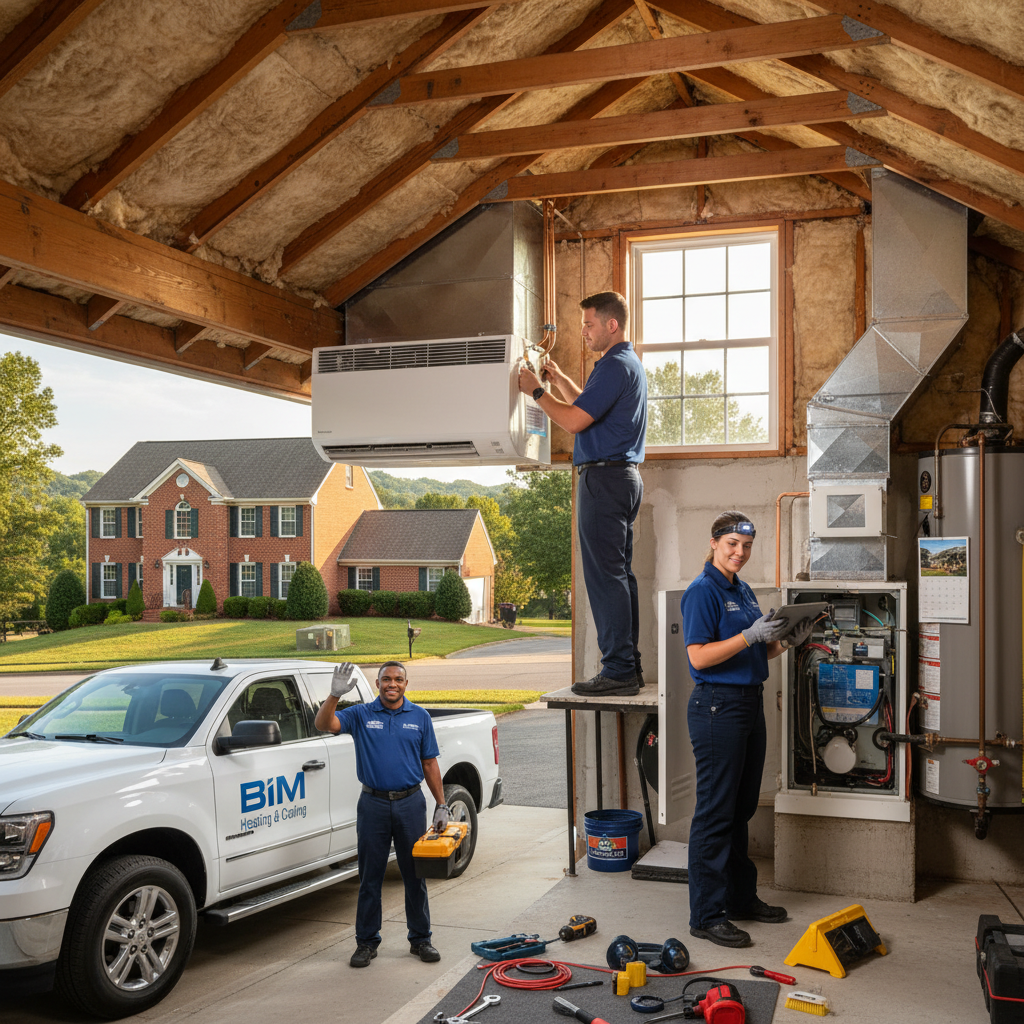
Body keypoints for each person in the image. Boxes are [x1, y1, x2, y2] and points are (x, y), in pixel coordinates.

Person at [681, 511, 813, 948]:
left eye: (747, 546)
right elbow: (699, 658)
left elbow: (755, 653)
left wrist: (788, 640)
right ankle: (706, 914)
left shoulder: (742, 591)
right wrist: (751, 636)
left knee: (741, 809)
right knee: (716, 813)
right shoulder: (703, 592)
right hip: (718, 706)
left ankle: (739, 898)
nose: (740, 553)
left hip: (748, 703)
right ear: (715, 542)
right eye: (732, 544)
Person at [518, 291, 647, 697]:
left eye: (589, 324)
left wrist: (534, 392)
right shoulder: (624, 364)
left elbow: (574, 421)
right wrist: (558, 381)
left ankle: (619, 670)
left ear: (612, 324)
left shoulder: (614, 366)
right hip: (622, 479)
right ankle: (628, 666)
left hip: (604, 480)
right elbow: (586, 406)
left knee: (605, 578)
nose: (584, 333)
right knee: (620, 576)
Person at [314, 661, 449, 967]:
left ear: (405, 683)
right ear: (377, 684)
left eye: (398, 679)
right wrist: (334, 695)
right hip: (372, 804)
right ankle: (366, 943)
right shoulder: (361, 714)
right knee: (370, 877)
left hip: (410, 803)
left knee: (415, 875)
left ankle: (420, 939)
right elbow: (324, 724)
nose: (392, 683)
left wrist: (441, 804)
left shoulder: (419, 717)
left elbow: (429, 763)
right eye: (386, 679)